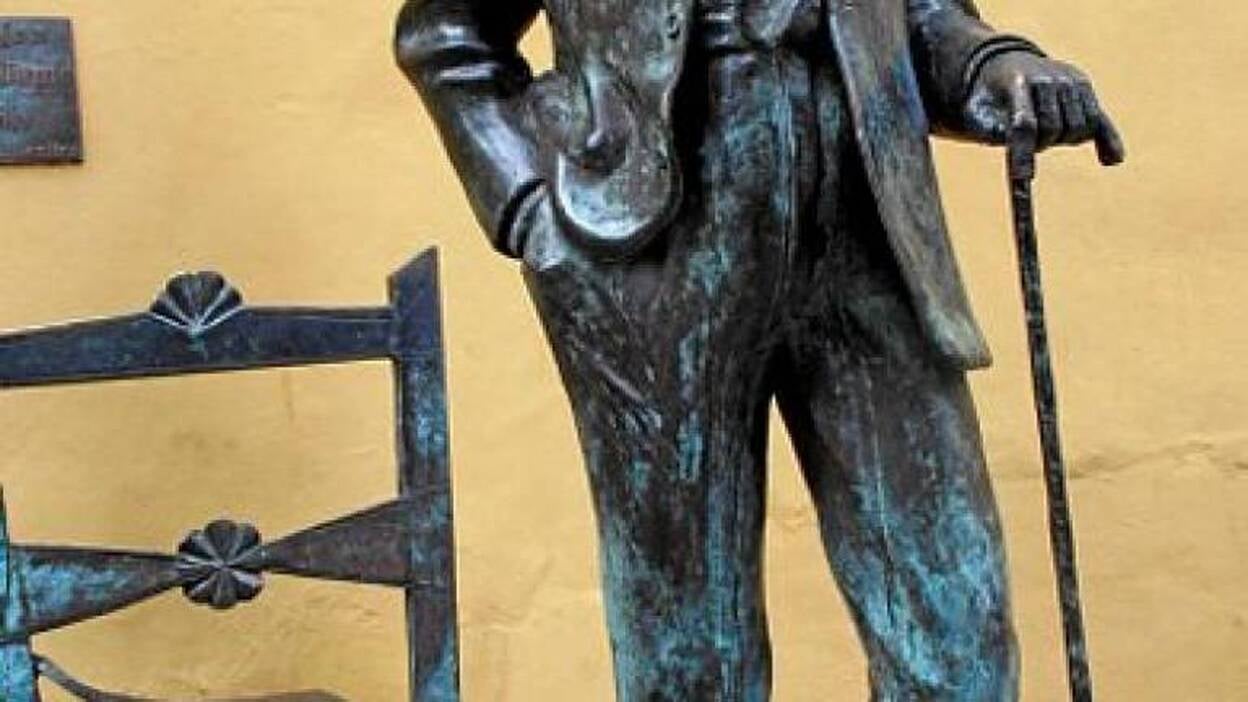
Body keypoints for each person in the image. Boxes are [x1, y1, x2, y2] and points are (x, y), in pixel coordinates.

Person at [395, 0, 1123, 699]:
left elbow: (924, 16)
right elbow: (445, 31)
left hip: (866, 239)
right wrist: (529, 211)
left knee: (959, 638)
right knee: (690, 656)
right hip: (655, 257)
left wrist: (994, 65)